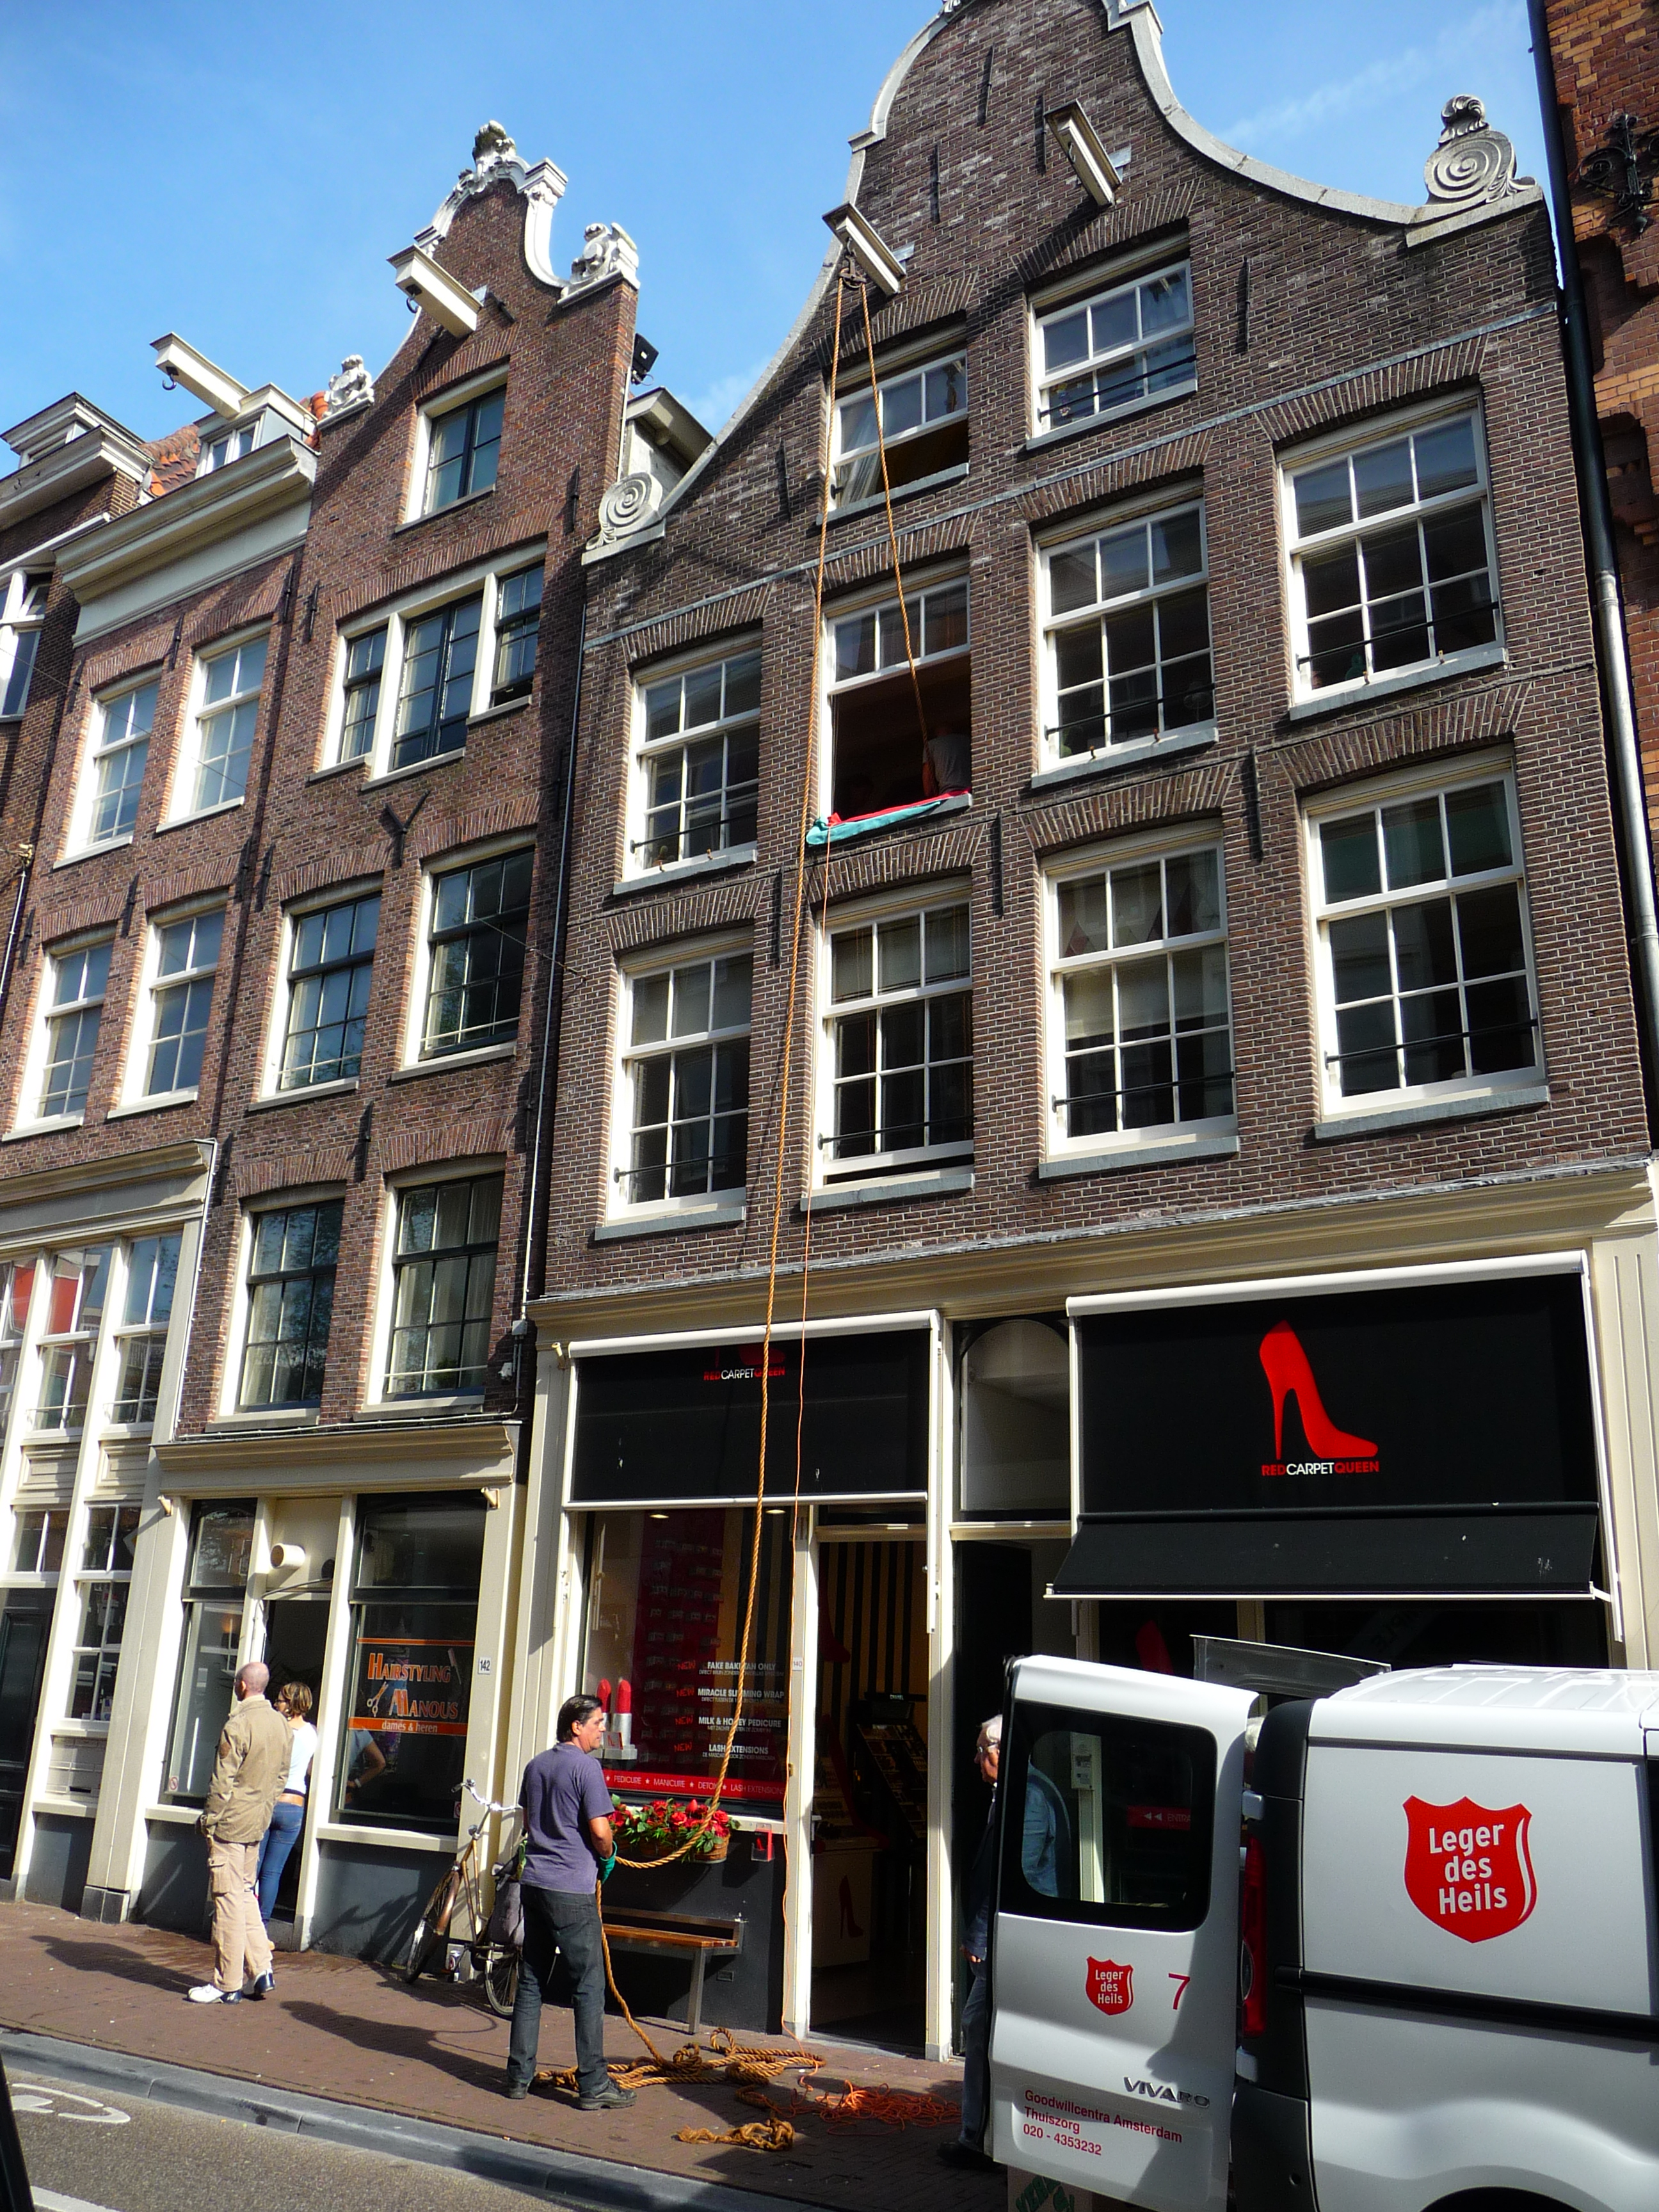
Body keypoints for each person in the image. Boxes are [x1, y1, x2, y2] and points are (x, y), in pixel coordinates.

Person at [504, 1692, 635, 2109]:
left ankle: (518, 2077)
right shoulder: (587, 1768)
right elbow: (600, 1831)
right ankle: (594, 2084)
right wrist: (608, 1855)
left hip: (535, 1884)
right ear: (576, 1726)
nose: (603, 1731)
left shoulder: (536, 1765)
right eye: (597, 1723)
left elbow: (529, 1824)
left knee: (531, 1981)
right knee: (589, 1985)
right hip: (572, 1892)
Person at [186, 1660, 291, 2005]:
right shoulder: (281, 1723)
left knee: (228, 1902)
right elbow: (282, 1777)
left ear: (243, 1686)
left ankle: (227, 1983)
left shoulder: (239, 1724)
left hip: (231, 1824)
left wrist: (211, 1820)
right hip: (257, 1822)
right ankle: (261, 1969)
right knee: (244, 1893)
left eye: (236, 1682)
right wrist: (264, 1808)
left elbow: (222, 1782)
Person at [940, 1713, 1004, 2174]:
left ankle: (977, 2139)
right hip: (1005, 1938)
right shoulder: (1006, 1796)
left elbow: (1003, 1877)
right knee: (980, 2025)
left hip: (1004, 1941)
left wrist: (979, 1933)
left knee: (977, 2026)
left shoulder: (1021, 1799)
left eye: (983, 1750)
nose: (978, 1759)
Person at [255, 1681, 317, 1924]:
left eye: (280, 1700)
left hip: (270, 1802)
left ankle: (242, 1924)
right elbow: (310, 1769)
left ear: (291, 1704)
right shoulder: (312, 1733)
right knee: (273, 1872)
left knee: (252, 1868)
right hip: (294, 1807)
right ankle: (262, 1927)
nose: (275, 1704)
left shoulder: (277, 1730)